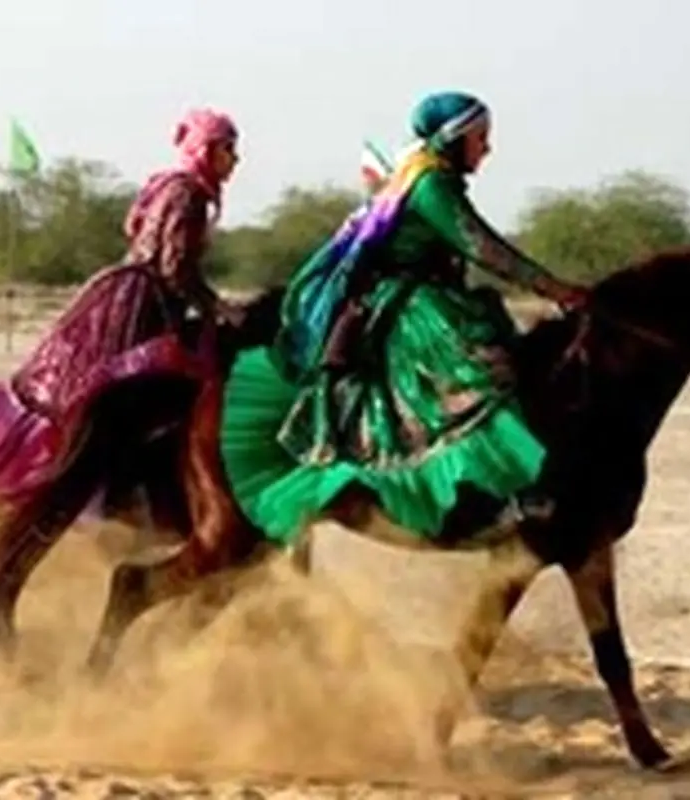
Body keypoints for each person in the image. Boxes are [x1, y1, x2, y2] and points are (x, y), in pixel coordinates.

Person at [220, 90, 589, 543]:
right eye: (480, 138)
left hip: (432, 292)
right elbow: (483, 247)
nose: (486, 148)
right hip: (413, 302)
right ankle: (503, 492)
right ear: (454, 139)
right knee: (482, 374)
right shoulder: (431, 184)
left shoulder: (428, 175)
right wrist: (556, 289)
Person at [0, 108, 241, 499]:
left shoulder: (176, 188)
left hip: (139, 297)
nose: (234, 160)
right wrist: (219, 308)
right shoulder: (186, 193)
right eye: (228, 149)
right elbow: (174, 267)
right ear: (206, 150)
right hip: (142, 306)